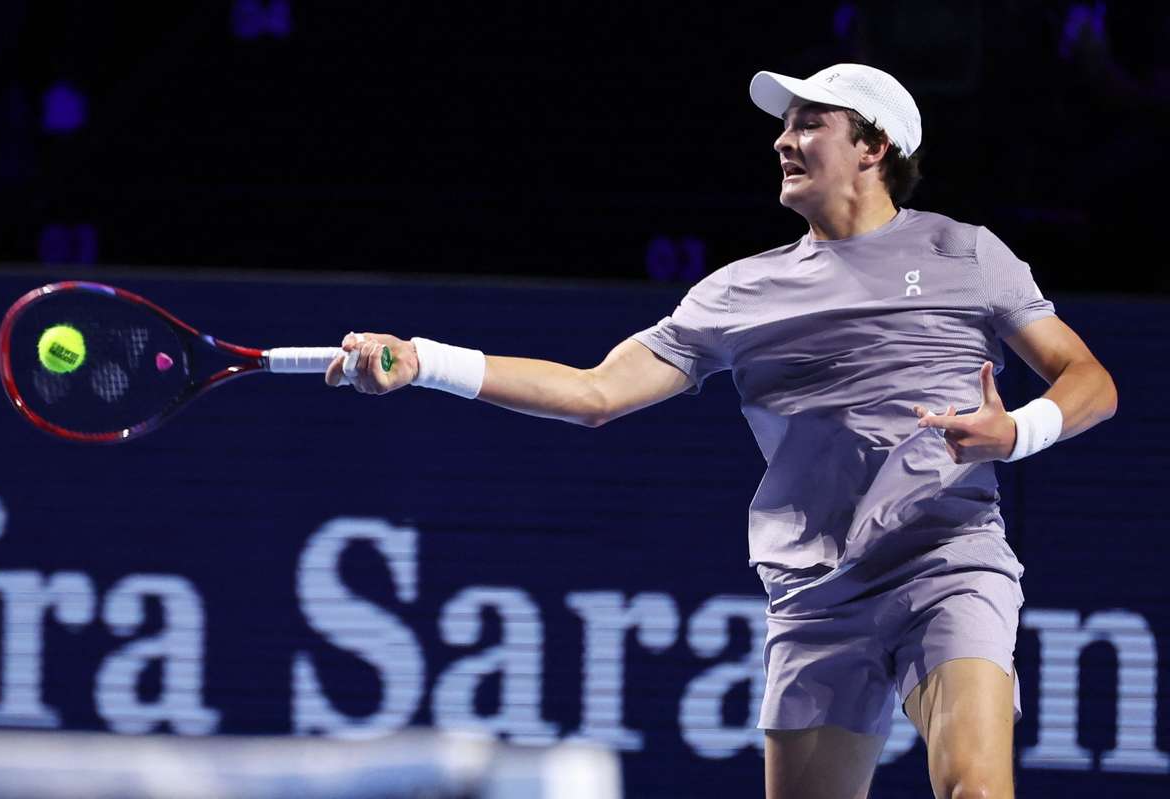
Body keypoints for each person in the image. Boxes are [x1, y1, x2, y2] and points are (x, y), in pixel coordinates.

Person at [326, 63, 1118, 799]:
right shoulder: (738, 292)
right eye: (785, 124)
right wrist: (425, 359)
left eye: (811, 122)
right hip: (815, 596)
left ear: (874, 145)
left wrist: (1016, 431)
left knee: (977, 789)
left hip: (947, 559)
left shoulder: (967, 253)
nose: (783, 138)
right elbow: (595, 391)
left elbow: (1091, 382)